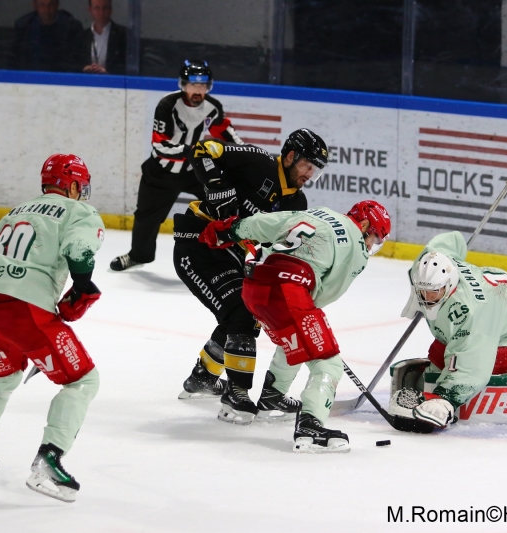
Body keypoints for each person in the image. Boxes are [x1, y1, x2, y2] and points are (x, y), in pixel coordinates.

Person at [0, 154, 105, 503]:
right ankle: (49, 461)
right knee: (82, 381)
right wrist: (81, 286)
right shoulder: (79, 211)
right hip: (26, 308)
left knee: (0, 381)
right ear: (75, 185)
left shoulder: (17, 211)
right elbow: (79, 249)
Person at [199, 200, 391, 452]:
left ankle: (273, 396)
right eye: (374, 238)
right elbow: (325, 293)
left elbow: (262, 223)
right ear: (364, 224)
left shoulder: (320, 213)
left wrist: (225, 231)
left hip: (255, 287)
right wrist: (311, 321)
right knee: (328, 362)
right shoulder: (357, 249)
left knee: (295, 339)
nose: (371, 246)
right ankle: (311, 426)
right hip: (287, 293)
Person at [172, 129, 327, 426]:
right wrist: (217, 184)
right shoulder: (257, 161)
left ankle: (203, 377)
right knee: (240, 310)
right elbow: (203, 150)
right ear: (291, 157)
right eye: (308, 166)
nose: (310, 174)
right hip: (198, 244)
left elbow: (278, 248)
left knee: (246, 310)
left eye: (316, 170)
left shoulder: (298, 204)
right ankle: (236, 393)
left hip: (231, 253)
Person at [387, 231, 507, 429]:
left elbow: (473, 367)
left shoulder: (474, 313)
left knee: (483, 363)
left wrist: (444, 398)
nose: (426, 297)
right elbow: (450, 240)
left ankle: (503, 371)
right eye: (421, 290)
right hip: (485, 306)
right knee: (440, 356)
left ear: (448, 285)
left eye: (433, 292)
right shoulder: (428, 262)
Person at [109, 60, 244, 272]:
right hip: (161, 172)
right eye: (193, 85)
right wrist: (190, 151)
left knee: (223, 206)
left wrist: (246, 153)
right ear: (183, 85)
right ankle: (139, 255)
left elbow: (227, 134)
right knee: (146, 216)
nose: (198, 90)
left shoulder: (213, 107)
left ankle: (230, 257)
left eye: (203, 85)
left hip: (194, 172)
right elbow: (159, 145)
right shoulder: (167, 105)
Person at [12, 0, 83, 72]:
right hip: (31, 78)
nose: (47, 10)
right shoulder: (23, 27)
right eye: (42, 5)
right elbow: (15, 61)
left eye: (51, 5)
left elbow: (76, 62)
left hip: (62, 78)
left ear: (57, 5)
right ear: (35, 5)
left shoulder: (72, 28)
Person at [80, 0, 126, 75]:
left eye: (105, 8)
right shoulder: (82, 36)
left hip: (114, 84)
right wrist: (85, 68)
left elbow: (128, 66)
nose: (101, 12)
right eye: (97, 8)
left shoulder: (123, 35)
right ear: (90, 10)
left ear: (111, 9)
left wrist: (107, 73)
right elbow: (73, 63)